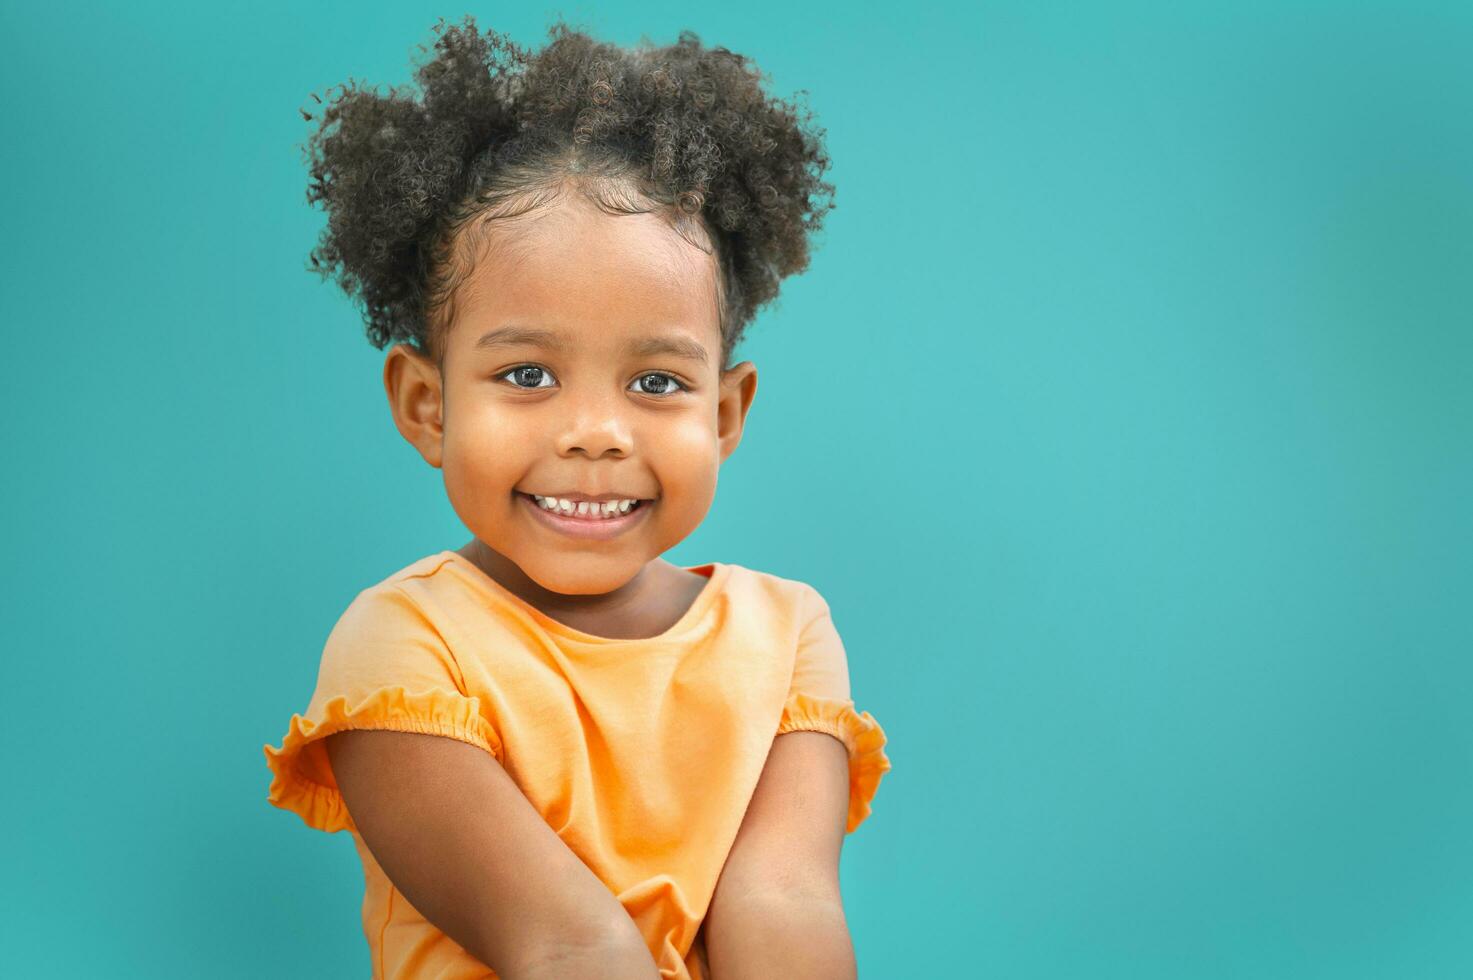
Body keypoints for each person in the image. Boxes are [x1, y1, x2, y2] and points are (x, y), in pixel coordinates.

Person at [262, 15, 891, 979]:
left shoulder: (787, 633)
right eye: (525, 375)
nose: (595, 432)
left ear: (725, 414)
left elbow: (784, 908)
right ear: (427, 406)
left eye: (654, 383)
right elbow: (564, 943)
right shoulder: (402, 645)